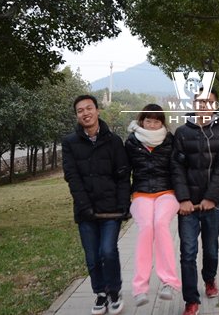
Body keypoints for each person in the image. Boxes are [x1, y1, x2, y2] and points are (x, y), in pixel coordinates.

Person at [62, 94, 130, 315]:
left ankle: (115, 292)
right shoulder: (69, 143)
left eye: (89, 108)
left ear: (97, 111)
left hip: (111, 209)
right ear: (77, 116)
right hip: (86, 211)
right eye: (80, 110)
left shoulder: (114, 141)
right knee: (92, 256)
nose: (85, 113)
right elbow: (72, 177)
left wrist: (124, 204)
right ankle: (101, 293)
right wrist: (84, 206)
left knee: (107, 251)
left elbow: (123, 175)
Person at [171, 88, 219, 315]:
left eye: (209, 102)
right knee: (188, 252)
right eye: (200, 102)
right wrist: (183, 199)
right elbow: (176, 167)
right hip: (187, 206)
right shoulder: (181, 132)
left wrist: (210, 198)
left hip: (212, 204)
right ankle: (191, 300)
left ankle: (209, 279)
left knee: (211, 248)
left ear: (215, 106)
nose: (204, 106)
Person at [124, 104, 181, 307]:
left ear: (162, 123)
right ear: (142, 121)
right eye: (148, 120)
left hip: (167, 193)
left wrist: (183, 197)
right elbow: (124, 173)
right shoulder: (131, 142)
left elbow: (177, 170)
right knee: (146, 227)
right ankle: (140, 288)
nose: (152, 125)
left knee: (160, 224)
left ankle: (169, 282)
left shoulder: (170, 141)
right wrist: (123, 201)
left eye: (156, 121)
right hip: (141, 193)